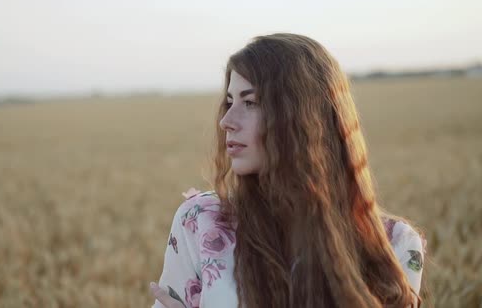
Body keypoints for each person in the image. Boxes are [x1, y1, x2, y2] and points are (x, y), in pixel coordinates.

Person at [149, 33, 427, 308]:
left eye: (250, 102)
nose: (226, 121)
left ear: (306, 120)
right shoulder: (201, 222)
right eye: (230, 102)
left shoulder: (396, 247)